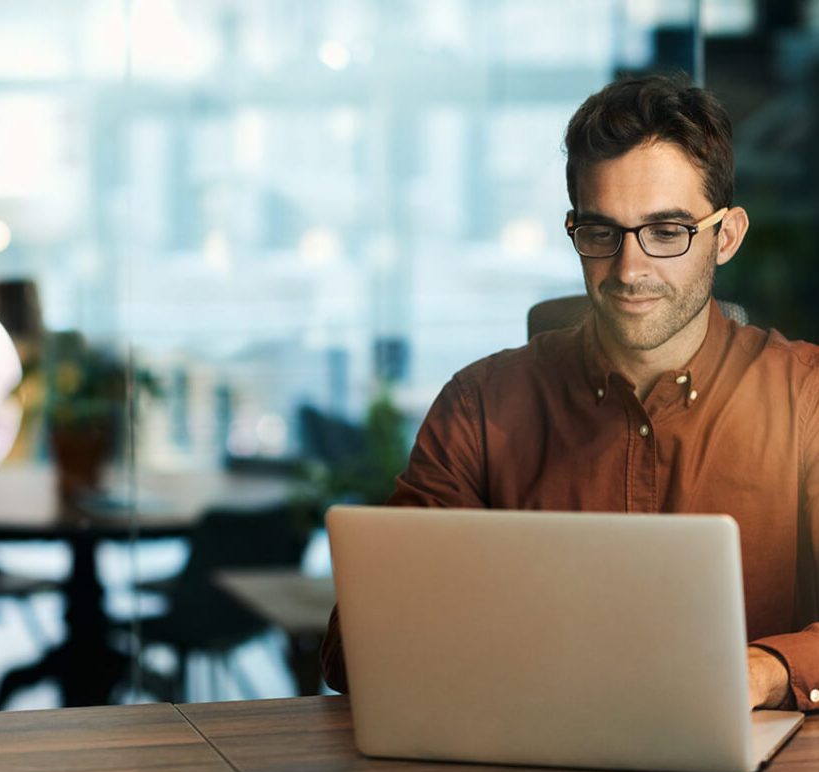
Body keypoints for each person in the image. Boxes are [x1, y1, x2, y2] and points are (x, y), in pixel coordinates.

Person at [320, 73, 819, 711]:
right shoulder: (481, 408)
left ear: (725, 236)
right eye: (600, 233)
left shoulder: (804, 401)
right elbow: (354, 648)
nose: (630, 269)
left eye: (667, 232)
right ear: (574, 231)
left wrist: (764, 671)